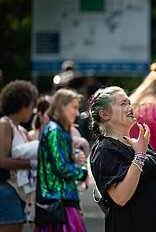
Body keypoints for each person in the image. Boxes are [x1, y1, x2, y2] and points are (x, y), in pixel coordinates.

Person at [88, 86, 156, 232]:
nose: (130, 107)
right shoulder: (105, 149)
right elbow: (121, 197)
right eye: (123, 104)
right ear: (105, 114)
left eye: (129, 103)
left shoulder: (137, 142)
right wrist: (139, 156)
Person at [35, 88, 88, 232]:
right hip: (59, 203)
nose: (77, 113)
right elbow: (60, 167)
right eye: (75, 108)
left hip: (61, 201)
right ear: (62, 106)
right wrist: (82, 173)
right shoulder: (55, 130)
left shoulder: (57, 129)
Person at [0, 80, 38, 232]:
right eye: (30, 105)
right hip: (6, 187)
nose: (32, 109)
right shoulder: (4, 124)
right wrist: (32, 164)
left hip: (18, 190)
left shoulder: (21, 130)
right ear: (23, 106)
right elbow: (2, 160)